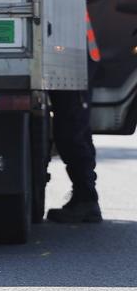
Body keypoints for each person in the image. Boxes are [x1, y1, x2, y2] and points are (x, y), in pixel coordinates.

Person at [46, 90, 102, 223]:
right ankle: (84, 197)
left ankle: (86, 198)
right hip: (73, 75)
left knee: (72, 132)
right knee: (74, 131)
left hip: (75, 75)